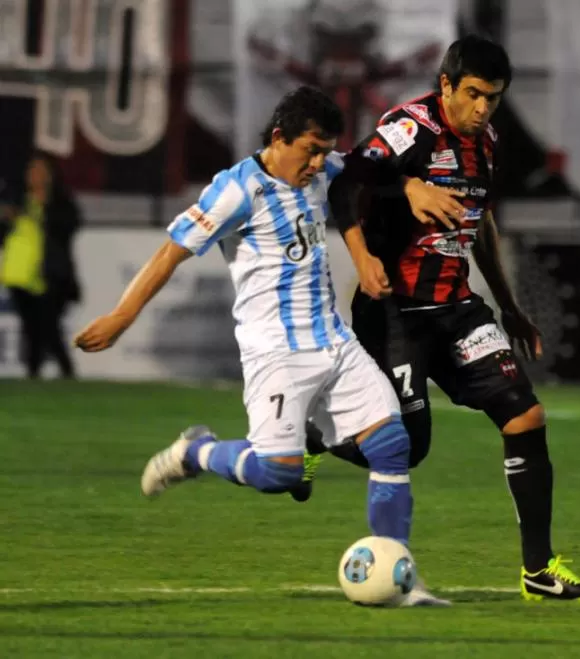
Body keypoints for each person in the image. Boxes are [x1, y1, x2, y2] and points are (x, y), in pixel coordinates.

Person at [73, 86, 456, 607]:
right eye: (311, 151)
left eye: (325, 151)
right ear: (279, 137)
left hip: (334, 342)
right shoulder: (237, 190)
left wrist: (411, 185)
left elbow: (368, 167)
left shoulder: (323, 169)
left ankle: (398, 578)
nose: (319, 163)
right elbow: (170, 253)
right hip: (276, 355)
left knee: (392, 446)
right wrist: (122, 314)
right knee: (279, 473)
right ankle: (198, 452)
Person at [309, 35, 580, 602]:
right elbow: (345, 184)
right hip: (394, 309)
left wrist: (509, 304)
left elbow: (480, 222)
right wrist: (371, 247)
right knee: (409, 448)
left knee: (526, 418)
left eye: (493, 98)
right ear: (446, 85)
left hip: (457, 308)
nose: (482, 108)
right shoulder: (409, 127)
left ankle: (538, 572)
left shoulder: (487, 140)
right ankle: (316, 435)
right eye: (473, 95)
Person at [0, 151, 82, 379]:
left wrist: (46, 211)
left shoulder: (58, 201)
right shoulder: (17, 201)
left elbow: (70, 226)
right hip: (19, 273)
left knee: (48, 325)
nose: (36, 176)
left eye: (41, 171)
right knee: (30, 326)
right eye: (32, 171)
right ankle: (34, 373)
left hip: (50, 274)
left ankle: (66, 370)